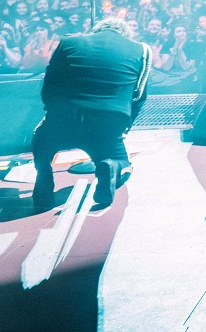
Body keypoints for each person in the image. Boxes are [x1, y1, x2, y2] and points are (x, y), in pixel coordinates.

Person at [30, 18, 152, 213]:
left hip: (66, 116)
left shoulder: (69, 42)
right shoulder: (142, 50)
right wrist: (123, 128)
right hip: (109, 120)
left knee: (41, 140)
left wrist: (52, 112)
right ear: (126, 35)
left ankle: (43, 181)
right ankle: (111, 165)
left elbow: (50, 82)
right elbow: (138, 96)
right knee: (121, 162)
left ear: (94, 31)